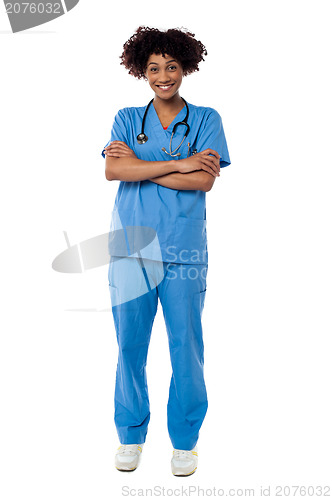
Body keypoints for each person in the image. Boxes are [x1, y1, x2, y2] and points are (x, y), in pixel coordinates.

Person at [101, 26, 231, 476]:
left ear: (185, 68)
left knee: (186, 346)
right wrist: (177, 162)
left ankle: (185, 442)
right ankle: (131, 435)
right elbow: (112, 171)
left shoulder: (207, 119)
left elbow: (204, 180)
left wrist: (138, 167)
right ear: (141, 70)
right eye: (153, 68)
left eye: (171, 67)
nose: (163, 76)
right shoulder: (125, 118)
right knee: (129, 348)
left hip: (183, 250)